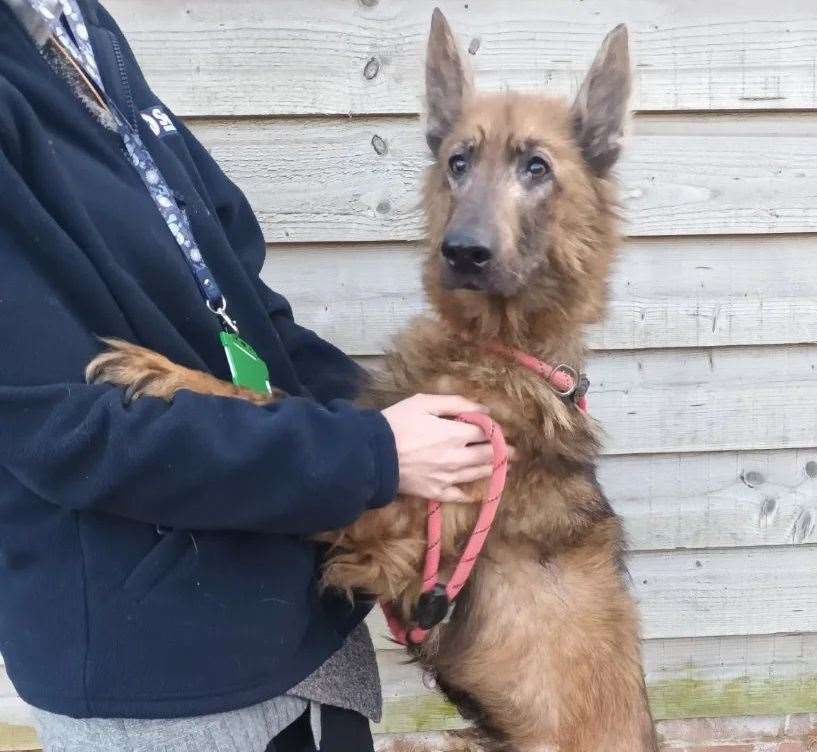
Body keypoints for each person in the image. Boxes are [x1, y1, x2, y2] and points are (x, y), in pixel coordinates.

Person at [0, 1, 498, 749]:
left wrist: (413, 422)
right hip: (165, 679)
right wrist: (372, 454)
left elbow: (246, 318)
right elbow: (66, 429)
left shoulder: (78, 30)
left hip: (293, 627)